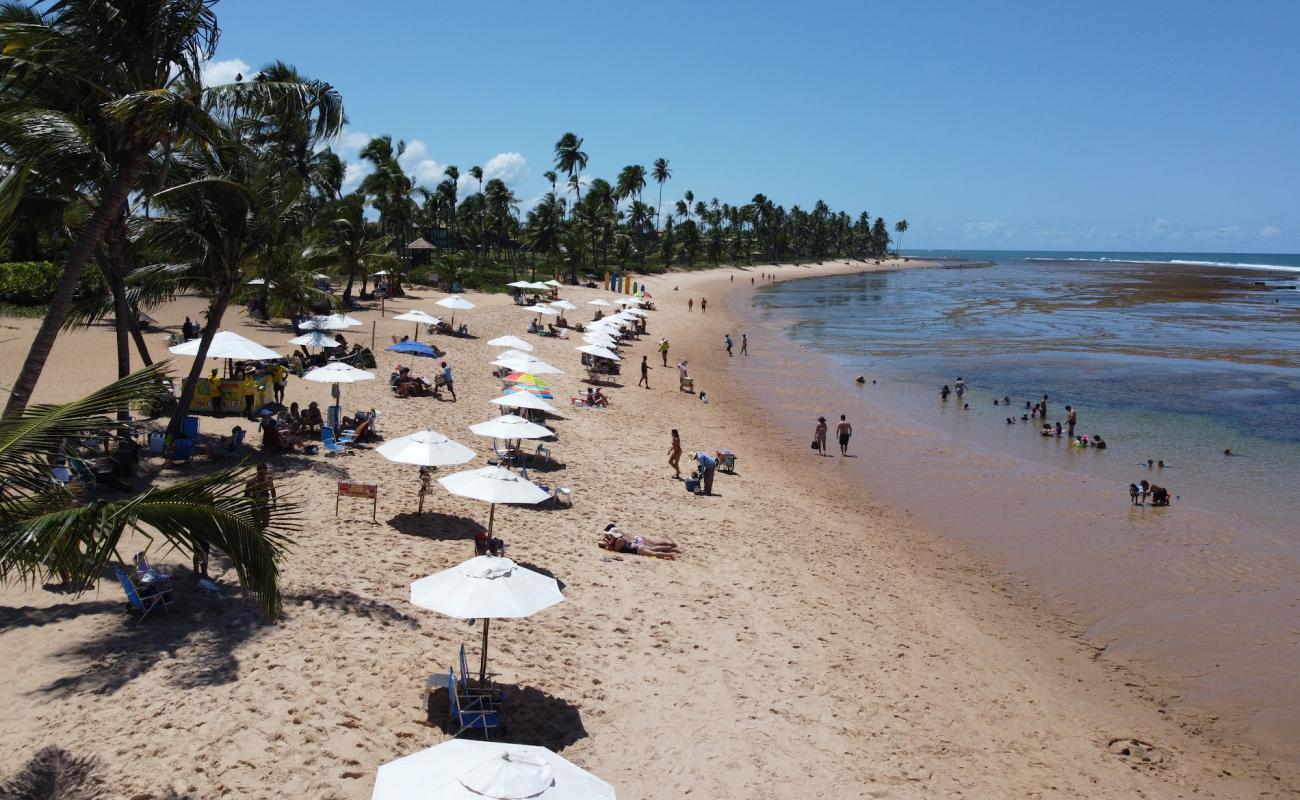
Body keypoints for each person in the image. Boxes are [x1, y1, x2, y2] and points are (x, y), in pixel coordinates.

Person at [598, 524, 679, 559]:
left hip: (638, 549)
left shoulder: (619, 540)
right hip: (638, 546)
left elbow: (615, 550)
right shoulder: (619, 538)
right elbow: (601, 542)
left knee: (654, 553)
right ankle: (670, 548)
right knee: (654, 548)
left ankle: (669, 554)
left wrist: (607, 545)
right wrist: (607, 542)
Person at [244, 463, 277, 530]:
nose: (263, 474)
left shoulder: (268, 479)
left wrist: (274, 502)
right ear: (258, 471)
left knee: (266, 523)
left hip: (265, 505)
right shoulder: (251, 482)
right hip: (255, 506)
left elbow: (272, 490)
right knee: (256, 524)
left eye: (265, 472)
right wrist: (254, 497)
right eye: (261, 473)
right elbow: (246, 495)